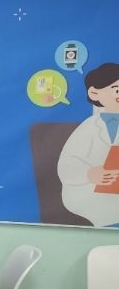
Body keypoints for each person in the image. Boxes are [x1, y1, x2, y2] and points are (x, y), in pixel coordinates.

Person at [58, 62, 119, 227]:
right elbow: (66, 164)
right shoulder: (88, 128)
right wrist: (90, 174)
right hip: (88, 193)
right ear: (94, 93)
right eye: (116, 90)